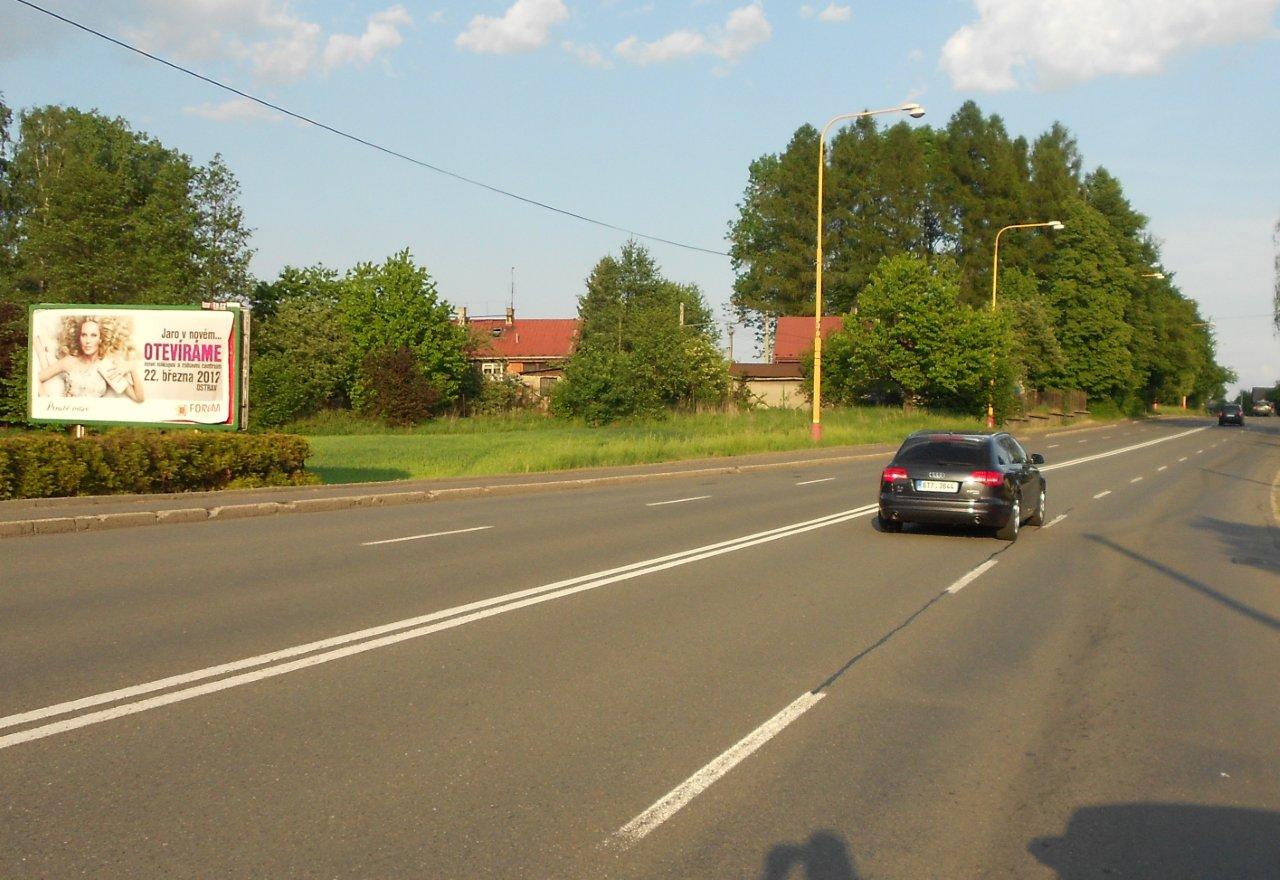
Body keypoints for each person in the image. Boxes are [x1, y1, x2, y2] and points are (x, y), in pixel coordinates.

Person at [36, 315, 145, 402]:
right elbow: (36, 379)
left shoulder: (106, 366)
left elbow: (138, 398)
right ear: (79, 338)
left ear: (100, 339)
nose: (88, 341)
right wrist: (47, 403)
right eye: (84, 335)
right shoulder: (69, 361)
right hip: (68, 417)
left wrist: (131, 368)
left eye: (93, 335)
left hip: (94, 420)